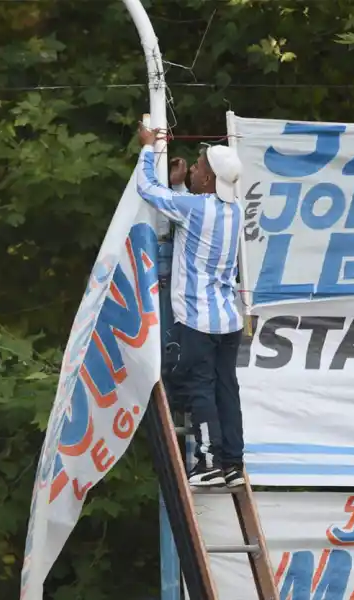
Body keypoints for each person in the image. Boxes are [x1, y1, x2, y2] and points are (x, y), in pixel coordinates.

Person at [135, 123, 246, 489]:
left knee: (197, 386)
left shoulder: (196, 209)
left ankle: (209, 461)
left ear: (210, 179)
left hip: (198, 318)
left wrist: (149, 149)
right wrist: (182, 184)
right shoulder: (235, 210)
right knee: (225, 388)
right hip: (228, 319)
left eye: (198, 167)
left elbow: (148, 190)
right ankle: (231, 460)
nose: (194, 170)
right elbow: (190, 209)